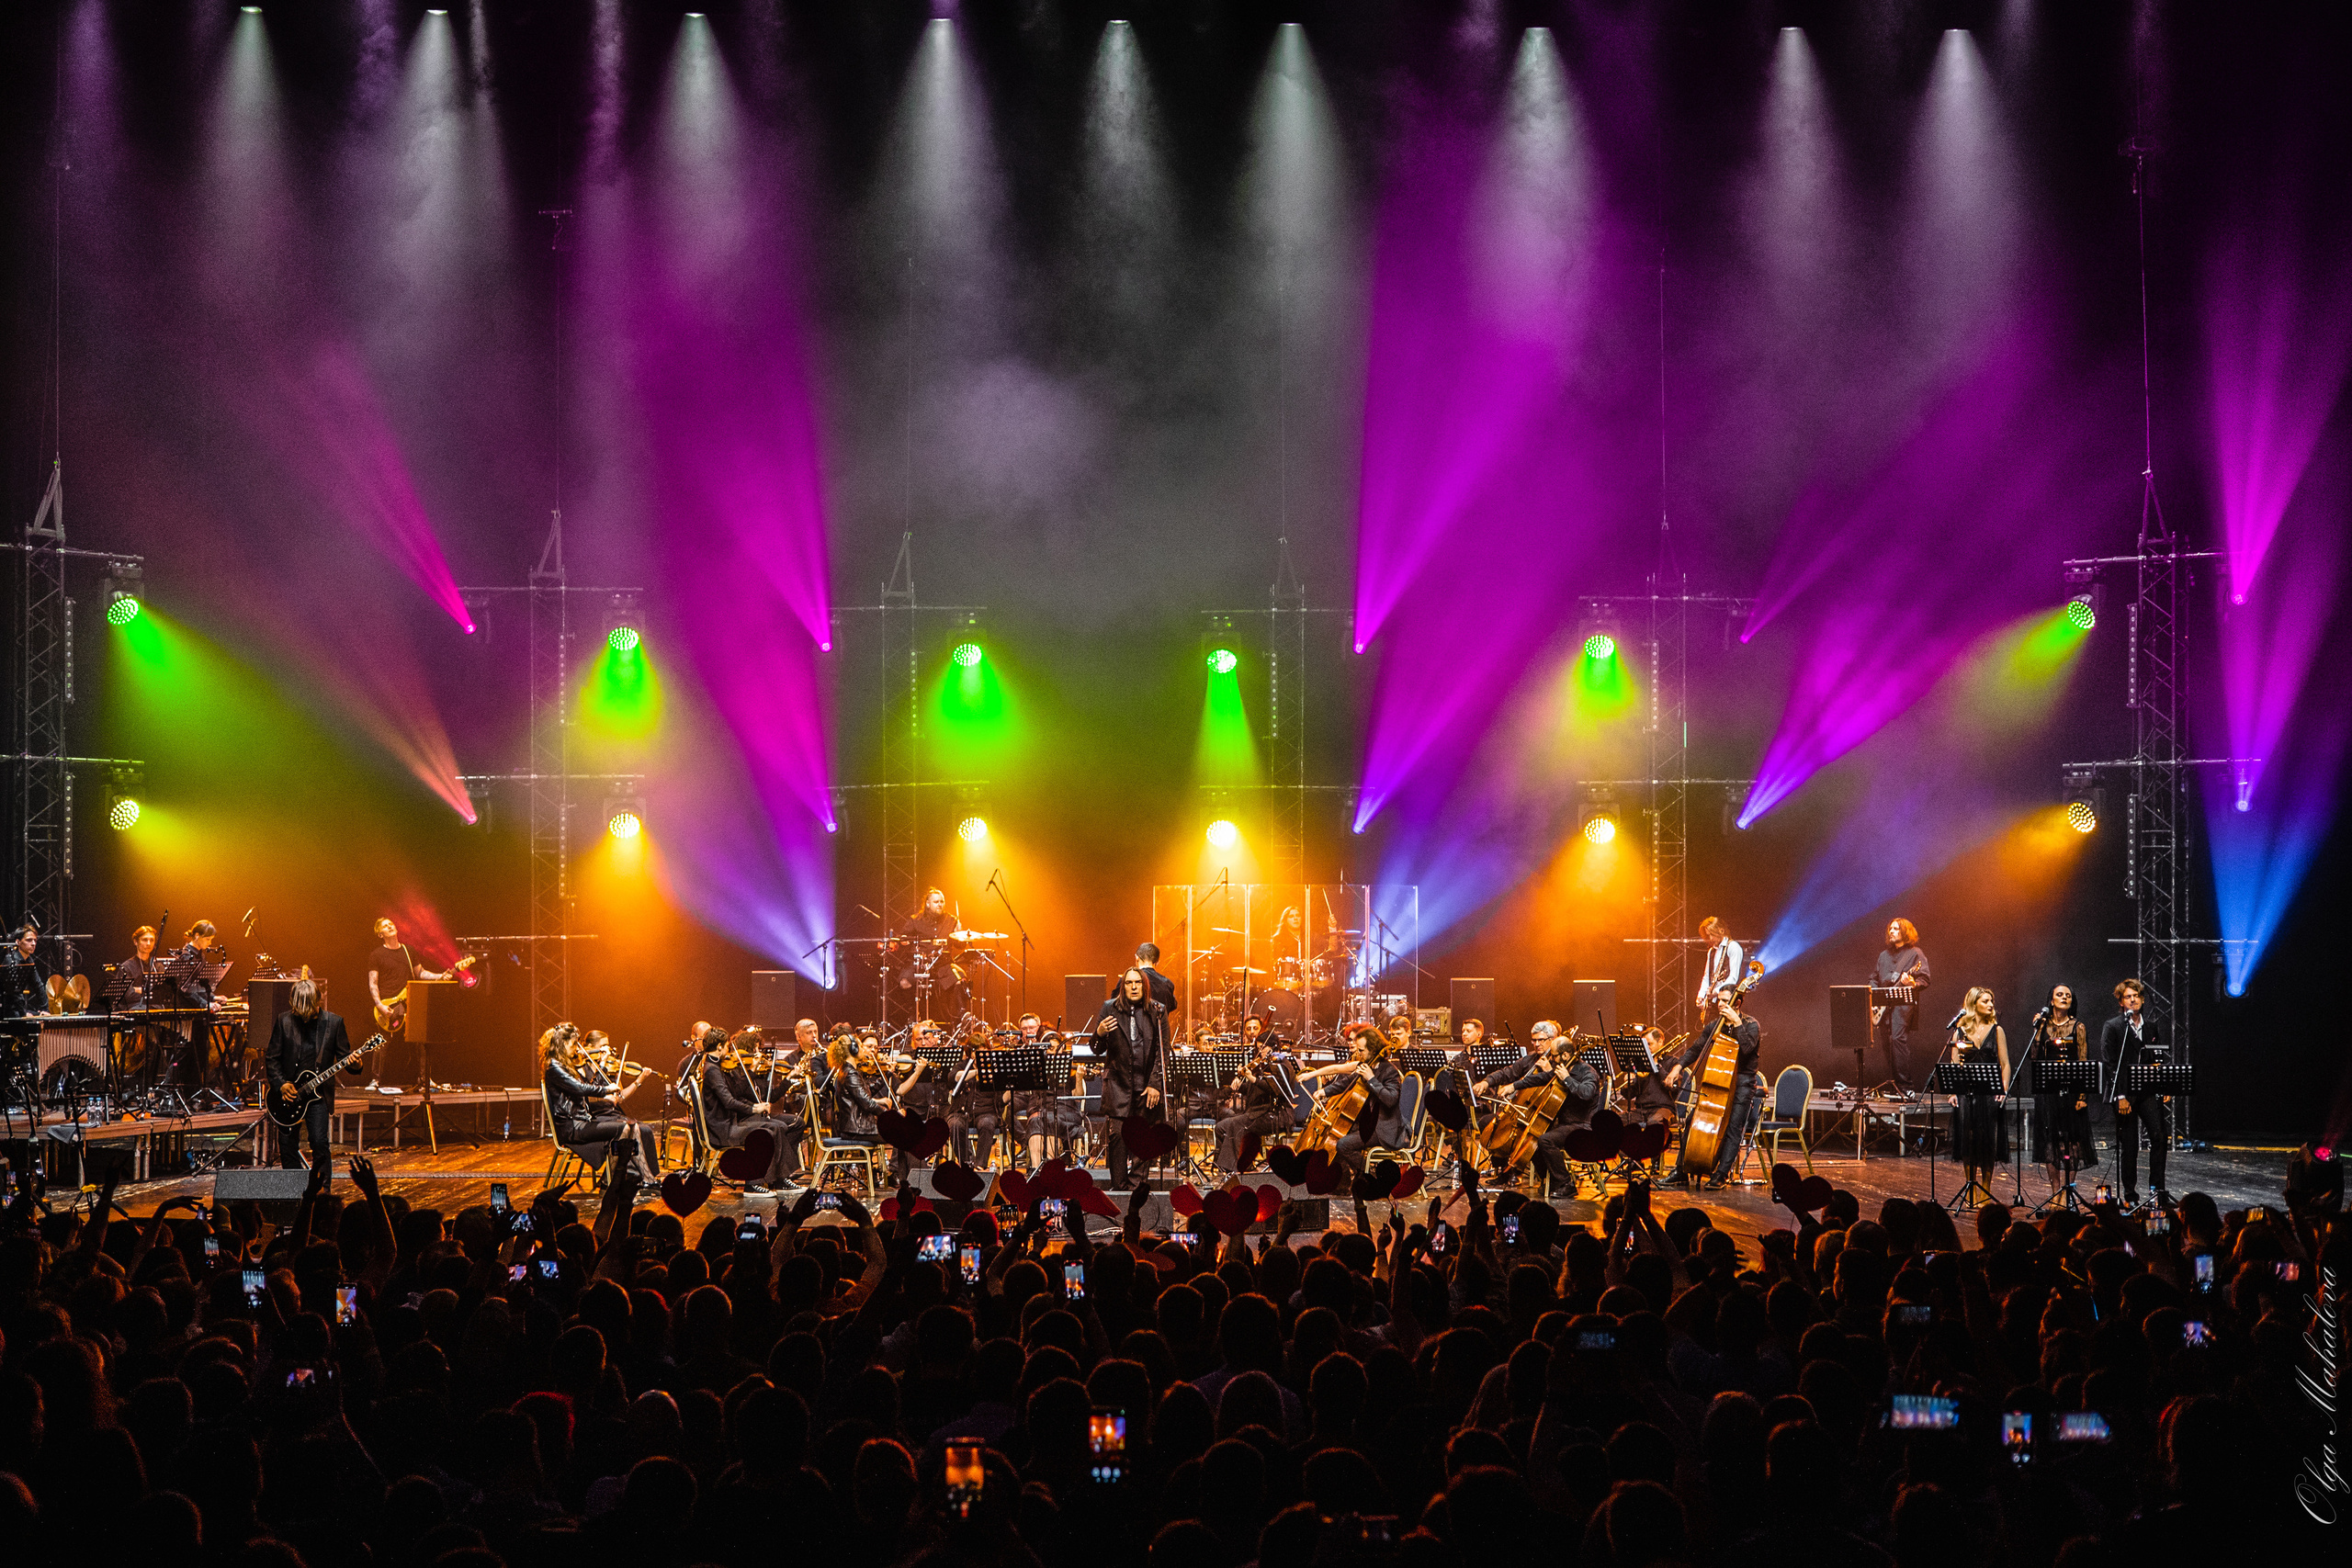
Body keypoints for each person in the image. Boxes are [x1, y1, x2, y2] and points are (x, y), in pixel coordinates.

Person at [1478, 1021, 1601, 1196]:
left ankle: (1566, 1184)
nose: (1551, 1059)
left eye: (1554, 1056)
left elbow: (1587, 1093)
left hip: (1582, 1125)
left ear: (1565, 1055)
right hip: (1564, 1124)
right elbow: (1539, 1079)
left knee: (1545, 1140)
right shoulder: (1562, 1067)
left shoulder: (1587, 1072)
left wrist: (1567, 1079)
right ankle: (1548, 1179)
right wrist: (1514, 1086)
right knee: (1534, 1139)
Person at [1665, 985, 1760, 1190]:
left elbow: (1747, 1048)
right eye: (1719, 1000)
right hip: (1718, 1083)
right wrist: (1678, 1067)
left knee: (1733, 1129)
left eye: (1725, 1001)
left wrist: (1736, 1022)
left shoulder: (1751, 1025)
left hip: (1743, 1083)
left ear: (1737, 1003)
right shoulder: (1714, 1026)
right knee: (1691, 1122)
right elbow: (1695, 1049)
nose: (1720, 1004)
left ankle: (1721, 1174)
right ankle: (1681, 1169)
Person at [542, 1024, 659, 1185]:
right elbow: (580, 1088)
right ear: (562, 1044)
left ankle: (613, 1180)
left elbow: (587, 1086)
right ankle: (643, 1178)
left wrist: (603, 1070)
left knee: (628, 1128)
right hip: (573, 1127)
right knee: (628, 1128)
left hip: (582, 1122)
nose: (576, 1048)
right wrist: (605, 1089)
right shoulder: (554, 1067)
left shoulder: (564, 1065)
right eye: (574, 1044)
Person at [265, 978, 361, 1171]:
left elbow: (346, 1059)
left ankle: (322, 1193)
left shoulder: (334, 1023)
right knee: (287, 1146)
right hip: (288, 1095)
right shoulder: (284, 1020)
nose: (302, 1014)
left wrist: (356, 1063)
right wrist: (282, 1084)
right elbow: (272, 1058)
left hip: (318, 1097)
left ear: (317, 1000)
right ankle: (294, 1191)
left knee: (319, 1142)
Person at [1091, 967, 1170, 1189]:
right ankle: (1120, 1187)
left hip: (1146, 1087)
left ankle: (1136, 1188)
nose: (1133, 987)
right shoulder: (1110, 1008)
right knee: (1117, 1137)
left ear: (1144, 986)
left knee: (1143, 1140)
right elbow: (1096, 1049)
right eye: (1129, 983)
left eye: (1137, 982)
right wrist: (1099, 1033)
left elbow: (1163, 1050)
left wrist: (1155, 1084)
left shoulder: (1157, 1010)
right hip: (1118, 1086)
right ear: (1123, 986)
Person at [699, 1030, 800, 1192]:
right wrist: (755, 1107)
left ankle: (780, 1179)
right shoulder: (712, 1070)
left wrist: (751, 1072)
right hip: (722, 1129)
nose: (728, 1051)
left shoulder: (716, 1067)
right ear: (719, 1047)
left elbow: (735, 1092)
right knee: (769, 1130)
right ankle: (753, 1184)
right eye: (726, 1047)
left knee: (776, 1127)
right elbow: (729, 1101)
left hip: (727, 1123)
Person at [2102, 977, 2171, 1203]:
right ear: (2121, 1002)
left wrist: (2163, 1084)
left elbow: (2155, 1058)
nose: (2133, 1000)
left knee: (2159, 1136)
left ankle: (2157, 1189)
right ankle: (2130, 1194)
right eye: (2128, 997)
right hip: (2124, 1091)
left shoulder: (2150, 1026)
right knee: (2129, 1144)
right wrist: (2120, 1096)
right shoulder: (2113, 1026)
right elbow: (2110, 1063)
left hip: (2148, 1089)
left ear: (2142, 999)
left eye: (2136, 996)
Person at [1305, 1025, 1404, 1179]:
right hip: (1367, 1123)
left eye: (1362, 1050)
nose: (1359, 1053)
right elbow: (1347, 1083)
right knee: (1334, 1136)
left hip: (1383, 1128)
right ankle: (1341, 1182)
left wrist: (1371, 1079)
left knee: (1343, 1145)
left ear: (1373, 1049)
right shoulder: (1366, 1065)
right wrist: (1324, 1092)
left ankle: (1371, 1176)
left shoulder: (1389, 1071)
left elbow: (1390, 1100)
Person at [367, 918, 456, 1089]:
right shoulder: (376, 955)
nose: (390, 926)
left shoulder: (408, 950)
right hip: (389, 1005)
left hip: (409, 1002)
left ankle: (424, 1079)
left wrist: (440, 976)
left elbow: (420, 973)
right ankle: (375, 1079)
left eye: (391, 923)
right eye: (385, 926)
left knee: (420, 1041)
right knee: (382, 1042)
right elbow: (373, 983)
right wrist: (379, 1005)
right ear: (380, 934)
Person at [2028, 983, 2097, 1192]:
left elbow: (2083, 1061)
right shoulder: (2043, 1026)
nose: (2064, 997)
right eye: (2060, 994)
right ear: (2051, 1000)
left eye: (2068, 995)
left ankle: (2068, 1189)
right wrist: (2037, 1029)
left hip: (2072, 1093)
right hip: (2049, 1093)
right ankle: (2056, 1191)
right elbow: (2034, 1057)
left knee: (2071, 1142)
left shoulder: (2078, 1027)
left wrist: (2082, 1097)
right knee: (2051, 1142)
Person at [1943, 986, 2011, 1195]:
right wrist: (1952, 1092)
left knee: (1988, 1140)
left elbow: (2005, 1064)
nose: (1991, 1005)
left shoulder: (1997, 1030)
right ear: (1973, 1004)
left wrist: (2004, 1089)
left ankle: (1986, 1189)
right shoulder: (1959, 1032)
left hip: (1989, 1093)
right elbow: (1954, 1064)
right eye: (1985, 1001)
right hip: (1967, 1094)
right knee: (1968, 1139)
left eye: (1991, 1001)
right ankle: (1970, 1185)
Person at [1011, 1012, 1082, 1168]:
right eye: (1050, 1050)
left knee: (1050, 1119)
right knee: (1038, 1119)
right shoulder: (1036, 1065)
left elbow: (1078, 1097)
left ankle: (1050, 1170)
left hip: (1065, 1107)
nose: (1054, 1053)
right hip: (1041, 1105)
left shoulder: (1070, 1066)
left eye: (1057, 1049)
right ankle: (1039, 1171)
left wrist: (1079, 1077)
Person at [1214, 1033, 1293, 1174]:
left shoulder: (1281, 1066)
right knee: (1220, 1127)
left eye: (1263, 1048)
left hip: (1275, 1114)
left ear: (1274, 1046)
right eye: (1258, 1049)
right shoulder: (1264, 1066)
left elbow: (1276, 1091)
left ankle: (1232, 1170)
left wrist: (1252, 1078)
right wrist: (1240, 1085)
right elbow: (1256, 1091)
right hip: (1258, 1113)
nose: (1260, 1052)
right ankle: (1223, 1168)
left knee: (1235, 1124)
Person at [1871, 918, 1931, 1093]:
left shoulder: (1915, 954)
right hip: (1884, 1005)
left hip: (1903, 1004)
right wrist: (1874, 998)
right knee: (1886, 1044)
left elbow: (1925, 978)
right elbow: (1873, 978)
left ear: (1905, 932)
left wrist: (1912, 983)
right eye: (1890, 929)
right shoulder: (1883, 956)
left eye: (1896, 929)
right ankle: (1893, 1085)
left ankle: (1906, 1086)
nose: (1891, 931)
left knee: (1898, 1040)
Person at [1697, 917, 1743, 1012]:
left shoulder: (1733, 947)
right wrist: (1701, 995)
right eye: (1708, 935)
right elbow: (1707, 976)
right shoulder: (1711, 952)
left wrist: (1716, 992)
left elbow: (1733, 978)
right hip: (1712, 1003)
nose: (1710, 938)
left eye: (1712, 935)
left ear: (1721, 931)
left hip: (1728, 1002)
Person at [1, 925, 47, 1018]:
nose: (33, 943)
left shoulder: (29, 961)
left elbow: (38, 985)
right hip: (6, 1009)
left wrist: (45, 1009)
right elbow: (15, 992)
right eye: (29, 940)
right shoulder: (11, 961)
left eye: (35, 940)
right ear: (18, 942)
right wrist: (24, 1014)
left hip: (17, 1008)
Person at [1133, 942, 1179, 1013]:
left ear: (1137, 958)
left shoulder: (1128, 981)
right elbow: (1172, 1006)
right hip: (1160, 1024)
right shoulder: (1168, 984)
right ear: (1157, 962)